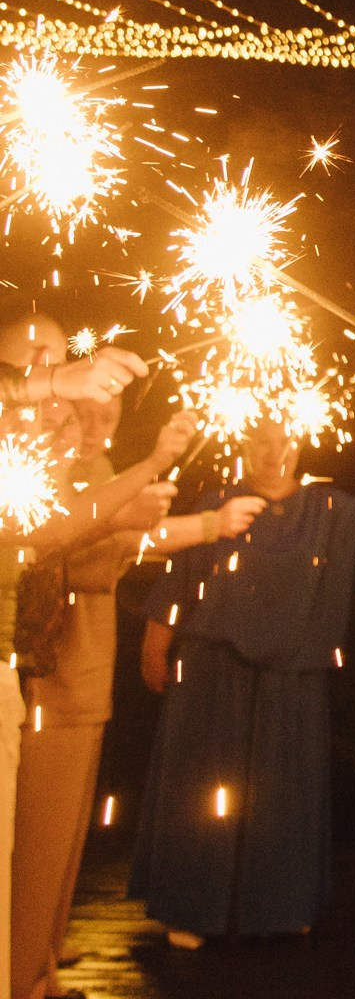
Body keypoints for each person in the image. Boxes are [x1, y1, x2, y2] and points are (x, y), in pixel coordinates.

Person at [128, 415, 355, 950]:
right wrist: (154, 645)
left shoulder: (326, 507)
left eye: (282, 441)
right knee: (202, 790)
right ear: (244, 445)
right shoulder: (215, 507)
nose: (273, 453)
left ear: (299, 442)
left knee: (283, 794)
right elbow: (179, 576)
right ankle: (192, 909)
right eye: (261, 443)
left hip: (293, 674)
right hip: (212, 673)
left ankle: (280, 906)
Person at [0, 323, 159, 989]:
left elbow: (48, 535)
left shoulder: (27, 463)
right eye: (34, 362)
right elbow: (70, 548)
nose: (55, 378)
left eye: (61, 362)